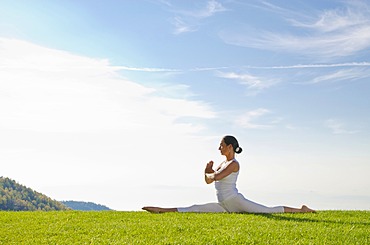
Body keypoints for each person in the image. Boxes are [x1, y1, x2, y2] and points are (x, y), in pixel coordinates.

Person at [142, 135, 315, 214]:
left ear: (230, 147)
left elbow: (215, 178)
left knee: (268, 211)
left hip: (235, 201)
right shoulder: (222, 163)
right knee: (195, 208)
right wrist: (207, 173)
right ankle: (161, 210)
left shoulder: (233, 164)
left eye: (221, 145)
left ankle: (302, 210)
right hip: (224, 205)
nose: (219, 148)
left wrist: (209, 173)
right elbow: (209, 182)